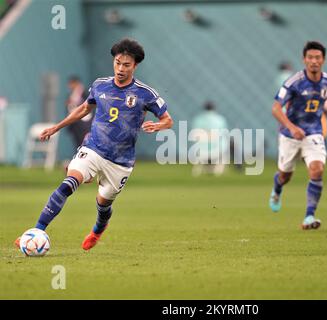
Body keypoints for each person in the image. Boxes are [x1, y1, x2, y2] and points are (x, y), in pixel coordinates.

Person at [15, 38, 173, 251]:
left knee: (103, 203)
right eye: (117, 62)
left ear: (135, 66)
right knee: (68, 183)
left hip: (121, 161)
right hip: (93, 148)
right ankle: (37, 230)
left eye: (126, 65)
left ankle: (98, 229)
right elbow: (83, 109)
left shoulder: (145, 93)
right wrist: (56, 127)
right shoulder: (100, 85)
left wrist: (158, 126)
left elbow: (168, 120)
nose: (120, 68)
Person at [269, 41, 327, 230]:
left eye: (318, 57)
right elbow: (276, 109)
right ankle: (277, 190)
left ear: (323, 60)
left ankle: (309, 216)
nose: (314, 61)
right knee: (285, 175)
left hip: (314, 133)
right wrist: (292, 127)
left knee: (317, 170)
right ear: (304, 60)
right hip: (290, 135)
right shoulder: (293, 82)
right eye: (310, 58)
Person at [191, 101, 229, 176]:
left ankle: (200, 170)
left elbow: (194, 135)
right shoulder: (220, 120)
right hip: (217, 150)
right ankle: (217, 171)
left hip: (201, 151)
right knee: (226, 145)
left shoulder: (198, 120)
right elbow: (224, 134)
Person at [65, 76, 92, 149]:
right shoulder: (71, 94)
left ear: (76, 83)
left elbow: (87, 106)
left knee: (83, 141)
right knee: (77, 143)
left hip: (84, 123)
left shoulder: (84, 93)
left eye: (71, 83)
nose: (70, 86)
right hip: (74, 123)